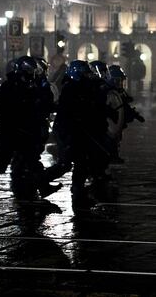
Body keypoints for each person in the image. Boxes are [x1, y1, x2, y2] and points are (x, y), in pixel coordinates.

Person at [0, 56, 61, 199]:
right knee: (0, 161)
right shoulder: (10, 85)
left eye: (33, 70)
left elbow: (40, 103)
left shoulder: (32, 85)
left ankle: (43, 187)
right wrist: (13, 115)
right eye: (29, 70)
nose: (31, 72)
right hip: (11, 131)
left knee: (32, 160)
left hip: (26, 130)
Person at [50, 60, 109, 204]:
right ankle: (41, 180)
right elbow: (74, 109)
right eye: (85, 74)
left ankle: (78, 191)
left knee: (82, 162)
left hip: (78, 130)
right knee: (65, 163)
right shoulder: (71, 87)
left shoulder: (80, 86)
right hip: (69, 130)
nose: (88, 76)